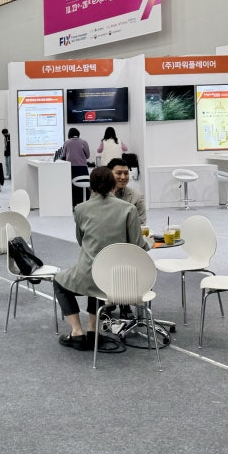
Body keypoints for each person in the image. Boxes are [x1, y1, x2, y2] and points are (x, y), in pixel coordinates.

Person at [53, 166, 149, 351]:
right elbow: (137, 246)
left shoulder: (80, 209)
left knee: (59, 281)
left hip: (90, 272)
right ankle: (93, 331)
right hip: (118, 276)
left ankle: (77, 332)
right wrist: (149, 243)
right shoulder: (129, 209)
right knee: (99, 281)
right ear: (114, 185)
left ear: (91, 187)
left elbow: (81, 240)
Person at [107, 157, 146, 225]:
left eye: (126, 173)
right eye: (119, 173)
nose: (123, 177)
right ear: (109, 174)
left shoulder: (137, 197)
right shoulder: (99, 195)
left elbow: (141, 224)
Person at [61, 127, 91, 206]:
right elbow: (87, 156)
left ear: (69, 134)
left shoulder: (66, 143)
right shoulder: (84, 142)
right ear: (78, 134)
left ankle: (73, 204)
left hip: (71, 168)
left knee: (72, 187)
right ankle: (84, 203)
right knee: (83, 186)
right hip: (83, 169)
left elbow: (63, 156)